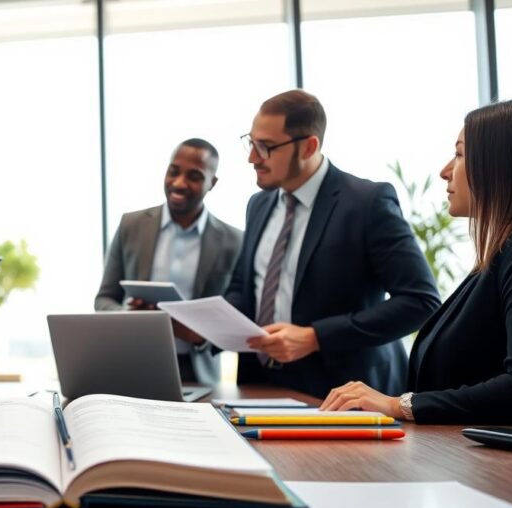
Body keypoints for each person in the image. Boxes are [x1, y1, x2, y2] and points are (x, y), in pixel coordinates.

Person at [180, 90, 441, 398]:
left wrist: (316, 337)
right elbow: (244, 290)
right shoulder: (258, 204)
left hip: (342, 392)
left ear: (308, 146)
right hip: (260, 386)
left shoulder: (367, 203)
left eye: (265, 147)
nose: (252, 157)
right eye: (251, 143)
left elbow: (420, 301)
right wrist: (205, 327)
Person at [321, 97, 512, 424]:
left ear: (500, 164)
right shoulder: (505, 252)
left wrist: (400, 405)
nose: (445, 171)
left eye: (460, 153)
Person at [95, 138, 242, 384]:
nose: (178, 183)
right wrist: (126, 315)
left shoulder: (234, 241)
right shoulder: (131, 225)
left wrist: (197, 333)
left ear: (212, 183)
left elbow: (234, 315)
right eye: (173, 172)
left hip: (197, 372)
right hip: (131, 362)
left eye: (194, 176)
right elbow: (104, 299)